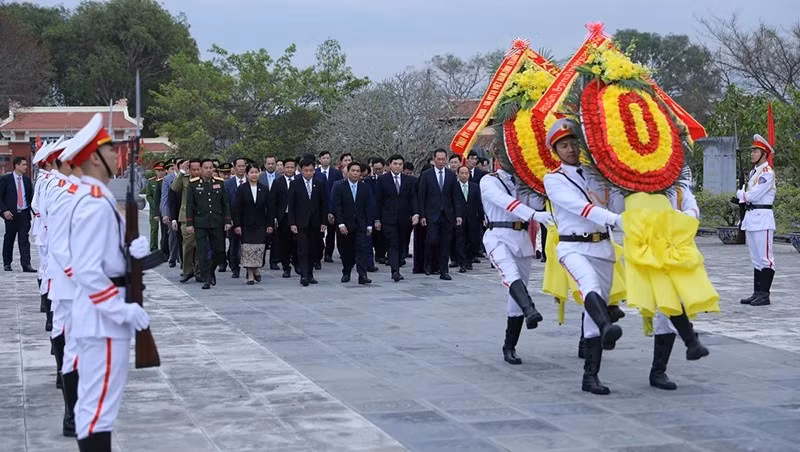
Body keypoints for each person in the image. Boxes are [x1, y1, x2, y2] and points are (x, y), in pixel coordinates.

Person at [60, 113, 151, 450]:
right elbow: (87, 270)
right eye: (110, 150)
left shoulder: (94, 199)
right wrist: (120, 310)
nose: (117, 155)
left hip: (97, 320)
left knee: (93, 407)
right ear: (94, 159)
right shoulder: (95, 204)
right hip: (103, 323)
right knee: (99, 411)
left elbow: (100, 255)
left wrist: (129, 250)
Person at [542, 119, 624, 395]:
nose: (570, 149)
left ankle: (590, 377)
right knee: (587, 285)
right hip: (573, 247)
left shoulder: (595, 174)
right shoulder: (553, 179)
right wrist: (615, 219)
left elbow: (614, 204)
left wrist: (618, 182)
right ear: (556, 150)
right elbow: (579, 208)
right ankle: (606, 324)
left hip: (602, 247)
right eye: (563, 146)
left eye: (573, 143)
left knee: (595, 305)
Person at [480, 141, 552, 367]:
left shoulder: (523, 184)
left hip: (521, 239)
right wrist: (534, 215)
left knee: (515, 296)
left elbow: (538, 201)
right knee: (510, 277)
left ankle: (509, 345)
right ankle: (530, 308)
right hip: (498, 236)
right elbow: (507, 204)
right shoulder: (488, 180)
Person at [647, 180, 709, 391]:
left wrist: (675, 219)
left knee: (668, 309)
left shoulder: (679, 186)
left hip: (676, 251)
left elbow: (693, 209)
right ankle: (690, 340)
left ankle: (659, 370)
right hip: (650, 252)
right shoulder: (637, 184)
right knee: (668, 301)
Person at [736, 134, 777, 307]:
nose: (752, 154)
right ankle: (757, 292)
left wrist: (741, 195)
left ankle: (765, 295)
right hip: (752, 219)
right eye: (752, 151)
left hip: (763, 219)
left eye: (756, 151)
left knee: (766, 259)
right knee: (756, 259)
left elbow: (753, 195)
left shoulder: (767, 174)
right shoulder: (754, 173)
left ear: (764, 154)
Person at [418, 148, 463, 280]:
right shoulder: (426, 175)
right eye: (439, 159)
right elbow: (422, 197)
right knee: (432, 240)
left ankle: (444, 270)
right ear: (434, 159)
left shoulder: (450, 175)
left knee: (445, 243)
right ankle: (428, 265)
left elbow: (456, 196)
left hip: (447, 215)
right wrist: (422, 215)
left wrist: (458, 214)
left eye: (443, 159)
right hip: (432, 214)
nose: (441, 162)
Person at [186, 159, 231, 290]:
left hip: (216, 222)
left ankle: (211, 271)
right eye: (205, 168)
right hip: (200, 222)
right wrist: (189, 223)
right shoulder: (194, 184)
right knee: (202, 252)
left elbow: (225, 203)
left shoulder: (219, 183)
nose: (208, 170)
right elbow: (190, 205)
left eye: (211, 168)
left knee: (220, 251)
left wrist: (227, 220)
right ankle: (206, 278)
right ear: (201, 169)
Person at [375, 154, 419, 282]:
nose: (397, 166)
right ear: (390, 165)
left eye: (400, 164)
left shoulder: (408, 180)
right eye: (395, 164)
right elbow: (378, 201)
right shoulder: (382, 180)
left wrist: (416, 213)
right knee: (392, 243)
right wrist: (377, 219)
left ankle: (398, 263)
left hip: (404, 218)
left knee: (401, 244)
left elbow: (413, 198)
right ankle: (395, 271)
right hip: (388, 218)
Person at [332, 161, 373, 284]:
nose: (355, 173)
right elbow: (337, 207)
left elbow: (368, 207)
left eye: (357, 171)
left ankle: (362, 275)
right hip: (346, 225)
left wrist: (369, 224)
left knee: (362, 249)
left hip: (361, 224)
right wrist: (341, 224)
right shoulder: (340, 187)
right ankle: (346, 271)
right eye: (353, 171)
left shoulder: (365, 187)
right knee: (347, 251)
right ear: (348, 172)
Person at [288, 157, 327, 286]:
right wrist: (292, 223)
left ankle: (310, 274)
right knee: (303, 249)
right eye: (306, 170)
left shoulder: (319, 183)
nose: (309, 173)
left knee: (314, 249)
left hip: (315, 223)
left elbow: (323, 205)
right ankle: (304, 275)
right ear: (301, 171)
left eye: (311, 170)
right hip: (301, 223)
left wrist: (323, 222)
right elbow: (291, 205)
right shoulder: (295, 184)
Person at [233, 164, 270, 285]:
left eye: (256, 172)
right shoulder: (242, 189)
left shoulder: (264, 188)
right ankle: (250, 273)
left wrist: (270, 224)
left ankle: (256, 269)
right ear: (247, 174)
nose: (254, 175)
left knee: (258, 249)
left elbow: (269, 208)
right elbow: (236, 208)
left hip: (260, 224)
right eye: (252, 172)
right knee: (247, 248)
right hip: (246, 224)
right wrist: (237, 225)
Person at [1, 156, 36, 272]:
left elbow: (31, 198)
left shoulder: (26, 180)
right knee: (9, 239)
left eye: (26, 165)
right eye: (24, 165)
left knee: (24, 240)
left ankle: (26, 265)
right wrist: (4, 211)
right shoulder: (6, 179)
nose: (26, 167)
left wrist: (34, 212)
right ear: (16, 165)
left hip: (24, 215)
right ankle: (7, 263)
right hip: (11, 215)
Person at [172, 158, 202, 283]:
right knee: (188, 245)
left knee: (201, 247)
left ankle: (199, 272)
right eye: (193, 169)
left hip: (202, 217)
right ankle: (187, 271)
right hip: (186, 217)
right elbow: (174, 188)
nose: (195, 172)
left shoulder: (205, 178)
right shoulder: (184, 178)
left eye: (197, 169)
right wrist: (182, 171)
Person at [271, 158, 298, 278]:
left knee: (297, 242)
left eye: (292, 167)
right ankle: (286, 267)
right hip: (283, 217)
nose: (290, 169)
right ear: (283, 168)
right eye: (287, 167)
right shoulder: (278, 182)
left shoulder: (299, 181)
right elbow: (273, 201)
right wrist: (275, 217)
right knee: (284, 243)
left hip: (298, 217)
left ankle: (298, 264)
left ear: (295, 168)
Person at [314, 150, 343, 265]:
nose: (326, 160)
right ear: (320, 159)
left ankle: (328, 254)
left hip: (332, 204)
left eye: (328, 158)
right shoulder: (315, 172)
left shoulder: (336, 173)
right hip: (319, 205)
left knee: (331, 231)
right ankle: (318, 252)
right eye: (324, 158)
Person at [455, 165, 484, 272]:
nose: (464, 175)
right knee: (460, 241)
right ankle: (462, 263)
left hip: (473, 218)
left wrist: (482, 217)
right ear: (458, 174)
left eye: (466, 173)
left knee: (472, 240)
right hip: (459, 218)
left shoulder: (475, 186)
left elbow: (479, 203)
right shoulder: (454, 186)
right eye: (461, 173)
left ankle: (469, 260)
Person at [224, 157, 248, 278]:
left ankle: (251, 267)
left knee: (248, 244)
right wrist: (228, 219)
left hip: (248, 219)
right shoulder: (228, 184)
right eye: (239, 166)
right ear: (234, 167)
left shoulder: (251, 180)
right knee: (234, 244)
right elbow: (226, 202)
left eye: (243, 166)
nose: (241, 168)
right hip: (233, 219)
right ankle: (235, 267)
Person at [260, 155, 281, 270]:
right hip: (262, 212)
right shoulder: (259, 177)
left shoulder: (280, 177)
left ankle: (274, 261)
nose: (271, 165)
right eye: (268, 163)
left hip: (276, 211)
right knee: (262, 238)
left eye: (273, 163)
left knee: (275, 239)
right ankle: (260, 260)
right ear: (265, 165)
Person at [160, 160, 180, 267]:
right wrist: (165, 214)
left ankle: (182, 259)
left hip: (183, 209)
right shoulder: (168, 179)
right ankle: (172, 256)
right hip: (171, 209)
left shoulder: (188, 177)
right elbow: (164, 198)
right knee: (173, 234)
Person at [146, 162, 165, 252]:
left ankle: (164, 247)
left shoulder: (167, 180)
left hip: (165, 209)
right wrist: (154, 205)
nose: (160, 172)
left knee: (165, 230)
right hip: (154, 210)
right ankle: (154, 247)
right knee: (154, 229)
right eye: (158, 171)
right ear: (155, 171)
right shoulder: (151, 181)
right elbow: (148, 195)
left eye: (162, 170)